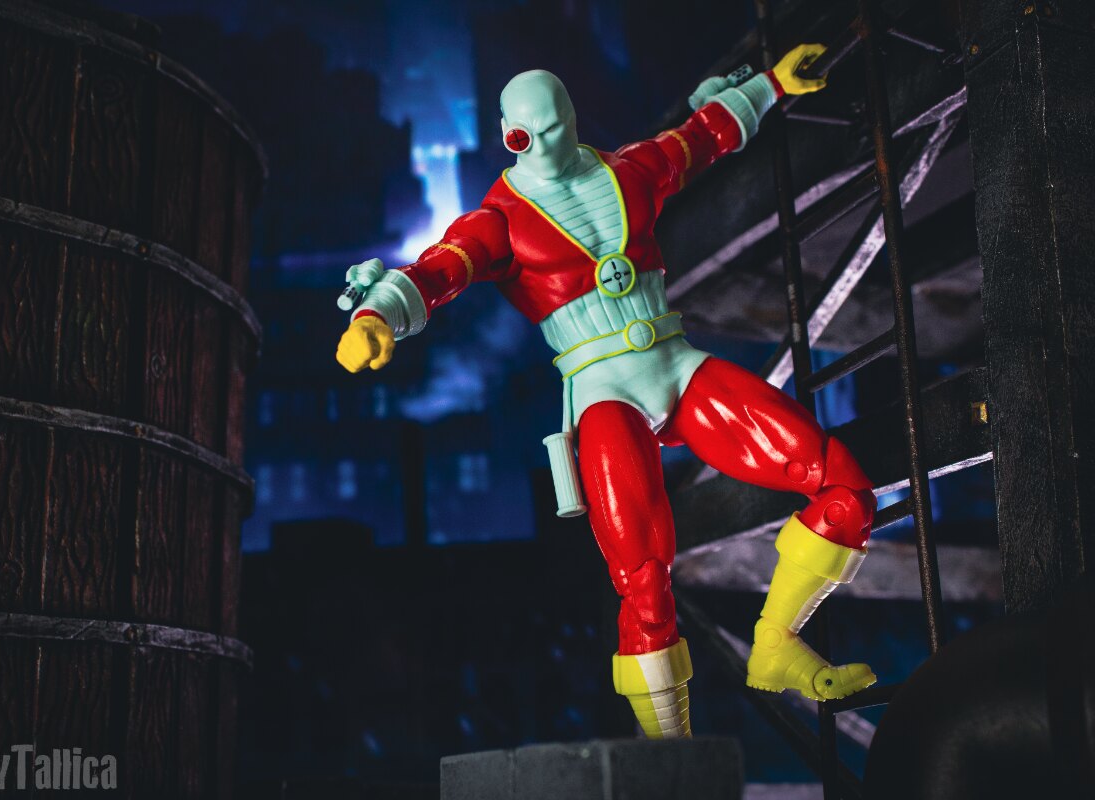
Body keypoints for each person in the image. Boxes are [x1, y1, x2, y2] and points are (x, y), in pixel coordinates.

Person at [335, 44, 878, 739]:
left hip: (675, 363)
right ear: (509, 136)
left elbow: (702, 137)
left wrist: (772, 83)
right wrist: (377, 315)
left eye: (556, 127)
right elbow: (440, 270)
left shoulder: (631, 171)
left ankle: (778, 645)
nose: (547, 145)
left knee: (842, 486)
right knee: (643, 578)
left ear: (571, 119)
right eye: (530, 136)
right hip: (602, 390)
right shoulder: (499, 222)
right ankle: (670, 748)